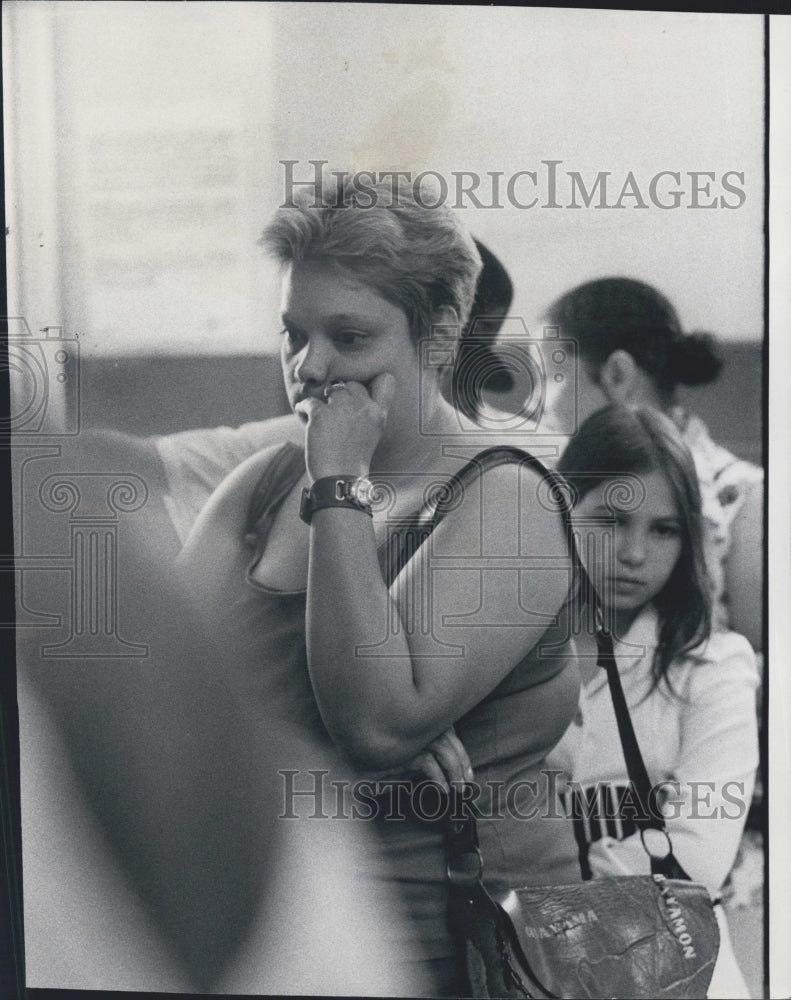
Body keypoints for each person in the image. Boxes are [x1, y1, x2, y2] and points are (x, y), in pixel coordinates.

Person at [174, 174, 582, 996]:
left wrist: (337, 485)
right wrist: (305, 736)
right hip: (283, 943)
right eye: (291, 334)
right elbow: (154, 698)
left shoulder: (508, 496)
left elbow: (371, 725)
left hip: (459, 954)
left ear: (437, 337)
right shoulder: (260, 485)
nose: (308, 366)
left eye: (348, 338)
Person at [548, 404, 760, 999]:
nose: (635, 553)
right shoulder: (504, 657)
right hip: (531, 975)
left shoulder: (715, 669)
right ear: (565, 513)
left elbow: (695, 862)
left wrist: (547, 872)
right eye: (611, 521)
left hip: (675, 978)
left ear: (688, 535)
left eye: (663, 529)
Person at [544, 277, 763, 652]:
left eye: (550, 377)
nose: (542, 403)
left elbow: (769, 666)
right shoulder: (549, 485)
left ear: (617, 375)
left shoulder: (746, 496)